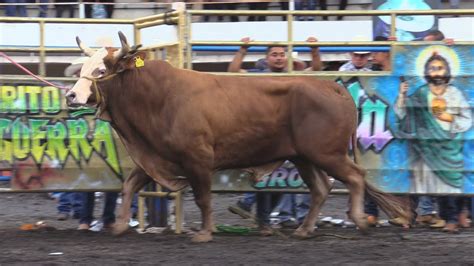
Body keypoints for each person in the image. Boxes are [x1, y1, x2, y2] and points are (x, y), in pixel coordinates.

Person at [227, 39, 322, 234]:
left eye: (281, 54)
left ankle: (252, 208)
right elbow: (233, 71)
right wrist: (243, 50)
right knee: (267, 175)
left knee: (281, 177)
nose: (279, 58)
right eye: (274, 55)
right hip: (265, 131)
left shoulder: (292, 75)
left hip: (287, 132)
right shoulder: (258, 75)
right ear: (267, 58)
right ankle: (261, 218)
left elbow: (316, 70)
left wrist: (314, 50)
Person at [394, 52, 472, 232]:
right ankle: (411, 215)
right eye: (432, 68)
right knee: (416, 181)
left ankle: (450, 219)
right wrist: (402, 96)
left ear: (447, 71)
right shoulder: (420, 93)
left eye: (440, 68)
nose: (436, 72)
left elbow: (467, 119)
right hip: (424, 146)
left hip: (447, 147)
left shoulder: (454, 93)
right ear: (426, 72)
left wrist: (449, 118)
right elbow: (403, 115)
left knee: (448, 185)